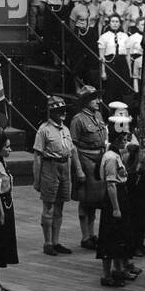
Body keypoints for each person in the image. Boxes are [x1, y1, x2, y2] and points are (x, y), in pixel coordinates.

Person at [33, 96, 80, 256]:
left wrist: (78, 170)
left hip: (64, 167)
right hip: (50, 167)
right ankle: (47, 243)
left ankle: (56, 241)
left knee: (60, 206)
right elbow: (38, 156)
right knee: (49, 206)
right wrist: (37, 179)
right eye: (59, 110)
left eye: (64, 110)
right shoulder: (44, 130)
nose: (63, 113)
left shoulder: (65, 129)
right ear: (52, 112)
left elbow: (72, 150)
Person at [70, 86, 107, 250]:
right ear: (85, 101)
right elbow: (73, 146)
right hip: (85, 161)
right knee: (85, 201)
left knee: (94, 200)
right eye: (94, 98)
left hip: (99, 161)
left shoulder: (97, 115)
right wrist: (78, 169)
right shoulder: (77, 120)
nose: (98, 101)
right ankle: (85, 237)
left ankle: (92, 234)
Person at [97, 130, 135, 287]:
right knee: (110, 237)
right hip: (114, 198)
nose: (125, 142)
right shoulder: (111, 157)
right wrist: (116, 208)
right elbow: (111, 184)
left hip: (121, 195)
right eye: (122, 139)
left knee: (119, 236)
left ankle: (118, 270)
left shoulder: (116, 154)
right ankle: (107, 275)